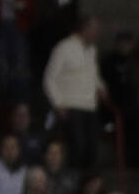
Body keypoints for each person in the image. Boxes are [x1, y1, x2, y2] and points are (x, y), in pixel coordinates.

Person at [42, 15, 107, 171]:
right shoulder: (63, 47)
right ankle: (73, 182)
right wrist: (58, 104)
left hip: (90, 106)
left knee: (92, 148)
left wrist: (101, 87)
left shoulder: (92, 50)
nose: (98, 33)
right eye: (95, 29)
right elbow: (49, 78)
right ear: (85, 29)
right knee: (78, 147)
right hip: (71, 106)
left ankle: (87, 182)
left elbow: (93, 74)